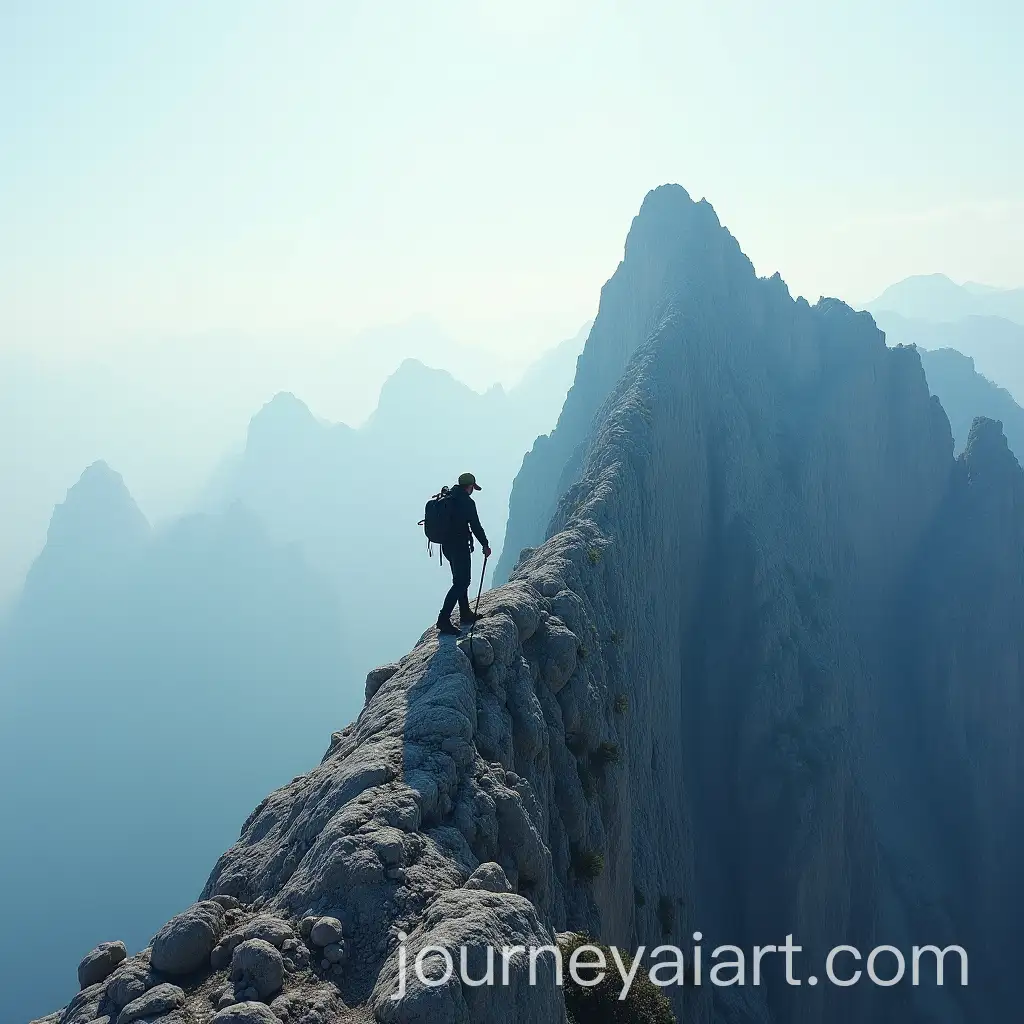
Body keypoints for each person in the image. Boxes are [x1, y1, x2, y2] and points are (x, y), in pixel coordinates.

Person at [437, 472, 491, 635]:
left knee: (459, 580)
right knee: (462, 582)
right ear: (470, 486)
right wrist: (485, 544)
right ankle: (443, 619)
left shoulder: (448, 497)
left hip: (447, 546)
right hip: (459, 546)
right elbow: (475, 526)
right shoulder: (466, 502)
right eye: (473, 487)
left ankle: (465, 613)